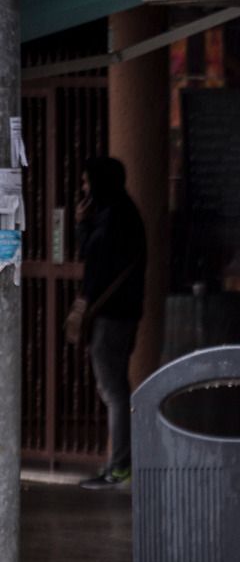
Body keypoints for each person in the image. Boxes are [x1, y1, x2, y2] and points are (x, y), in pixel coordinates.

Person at [75, 156, 147, 490]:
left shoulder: (113, 218)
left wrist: (83, 224)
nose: (84, 188)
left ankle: (119, 466)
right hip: (122, 314)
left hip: (112, 316)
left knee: (114, 391)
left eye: (88, 182)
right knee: (115, 388)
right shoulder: (121, 213)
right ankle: (119, 463)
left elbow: (92, 259)